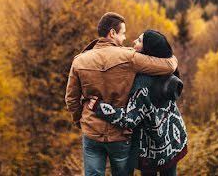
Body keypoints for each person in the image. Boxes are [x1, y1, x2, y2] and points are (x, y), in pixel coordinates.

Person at [66, 12, 179, 176]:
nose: (125, 38)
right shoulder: (129, 58)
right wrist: (172, 56)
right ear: (112, 33)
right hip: (120, 133)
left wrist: (80, 121)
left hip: (91, 131)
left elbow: (71, 99)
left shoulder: (79, 61)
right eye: (123, 33)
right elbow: (168, 66)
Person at [88, 30, 188, 176]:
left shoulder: (143, 84)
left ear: (148, 50)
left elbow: (129, 119)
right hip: (174, 139)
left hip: (151, 149)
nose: (134, 41)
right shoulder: (166, 70)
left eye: (139, 40)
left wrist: (100, 107)